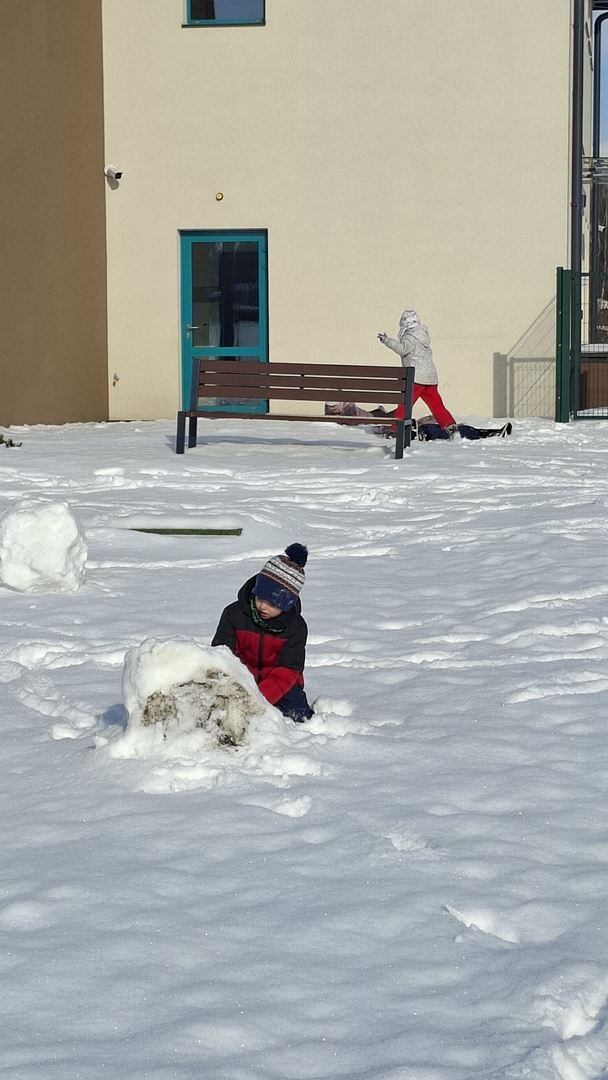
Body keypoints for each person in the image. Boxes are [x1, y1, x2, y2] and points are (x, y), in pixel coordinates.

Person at [211, 543, 313, 722]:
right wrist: (240, 688)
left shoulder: (295, 628)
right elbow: (222, 655)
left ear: (287, 604)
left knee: (300, 716)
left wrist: (259, 699)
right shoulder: (234, 615)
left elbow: (288, 670)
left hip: (280, 684)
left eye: (273, 604)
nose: (263, 606)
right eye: (259, 597)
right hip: (242, 679)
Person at [377, 308, 459, 438]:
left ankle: (397, 430)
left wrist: (387, 341)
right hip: (430, 378)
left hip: (416, 378)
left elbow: (403, 349)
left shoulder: (410, 336)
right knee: (436, 404)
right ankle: (450, 426)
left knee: (405, 404)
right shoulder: (422, 335)